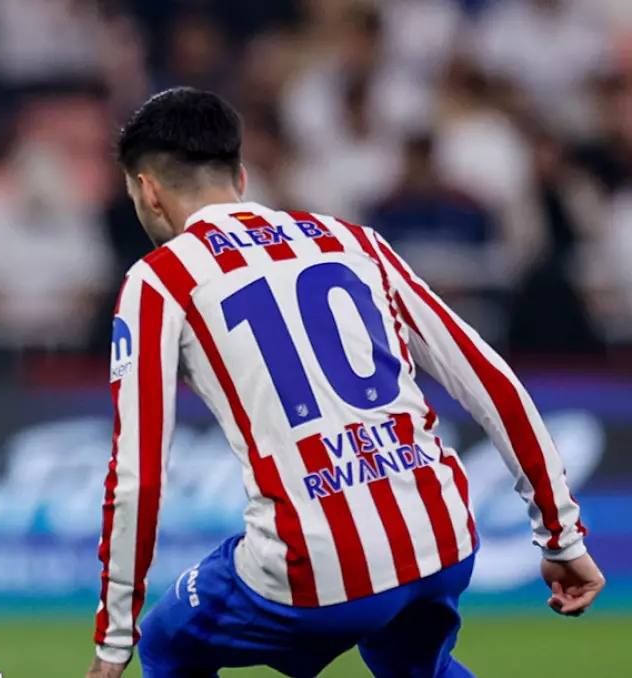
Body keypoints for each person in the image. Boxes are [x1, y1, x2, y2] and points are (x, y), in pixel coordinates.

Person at [88, 87, 605, 678]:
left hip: (316, 568)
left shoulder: (159, 281)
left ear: (148, 190)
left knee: (166, 643)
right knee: (412, 663)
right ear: (241, 176)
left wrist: (113, 641)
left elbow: (138, 473)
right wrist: (562, 537)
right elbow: (492, 383)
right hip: (440, 539)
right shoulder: (354, 241)